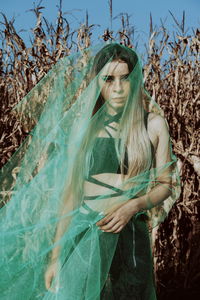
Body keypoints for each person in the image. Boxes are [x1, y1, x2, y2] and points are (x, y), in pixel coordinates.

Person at [0, 42, 180, 300]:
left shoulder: (152, 125)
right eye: (108, 79)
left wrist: (132, 206)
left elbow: (166, 184)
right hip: (82, 234)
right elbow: (71, 195)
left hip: (128, 236)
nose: (117, 88)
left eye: (125, 78)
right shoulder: (85, 130)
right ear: (97, 82)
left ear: (135, 78)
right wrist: (55, 257)